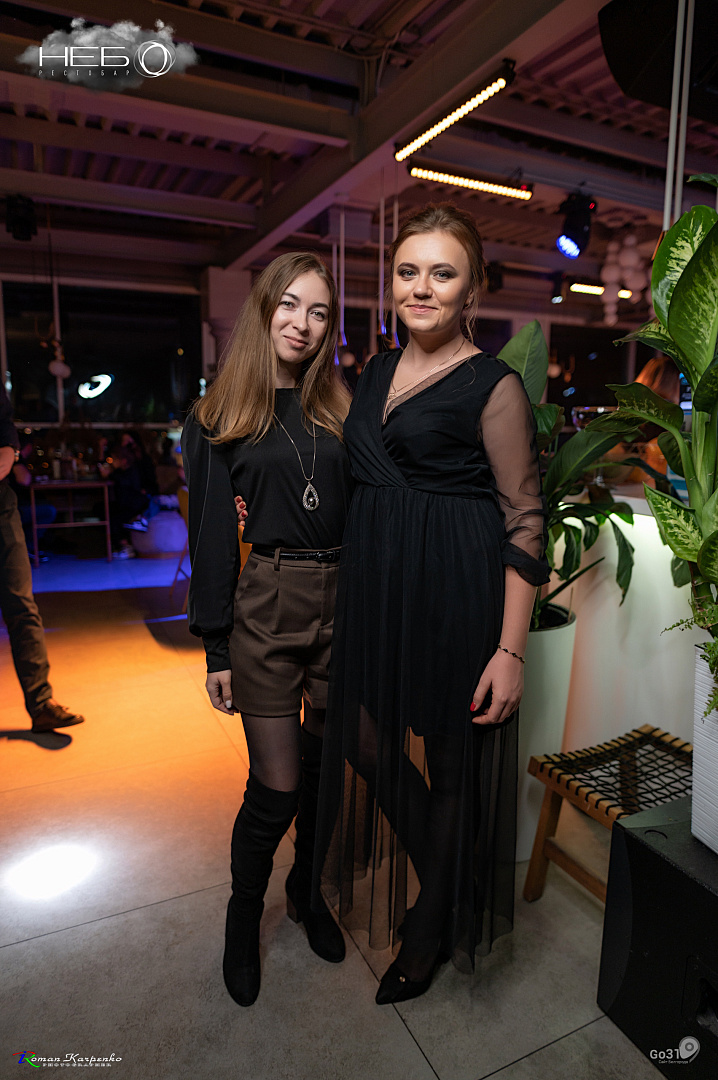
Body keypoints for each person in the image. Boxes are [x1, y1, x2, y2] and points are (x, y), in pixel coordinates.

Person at [312, 203, 550, 1004]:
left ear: (470, 290)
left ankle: (429, 923)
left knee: (450, 764)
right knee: (362, 737)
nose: (422, 287)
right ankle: (450, 881)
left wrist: (510, 651)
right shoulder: (375, 371)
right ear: (391, 282)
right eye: (408, 271)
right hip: (382, 591)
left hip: (457, 592)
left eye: (442, 273)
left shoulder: (495, 385)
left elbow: (525, 519)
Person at [183, 251, 352, 1008]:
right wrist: (216, 645)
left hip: (343, 601)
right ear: (263, 308)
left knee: (323, 778)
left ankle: (307, 894)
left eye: (318, 312)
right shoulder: (220, 415)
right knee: (277, 786)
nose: (303, 324)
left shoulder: (340, 409)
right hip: (268, 603)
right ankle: (242, 914)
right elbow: (212, 538)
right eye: (290, 304)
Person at [0, 385, 86, 733]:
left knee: (22, 605)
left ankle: (41, 705)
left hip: (1, 502)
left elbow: (4, 421)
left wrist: (9, 448)